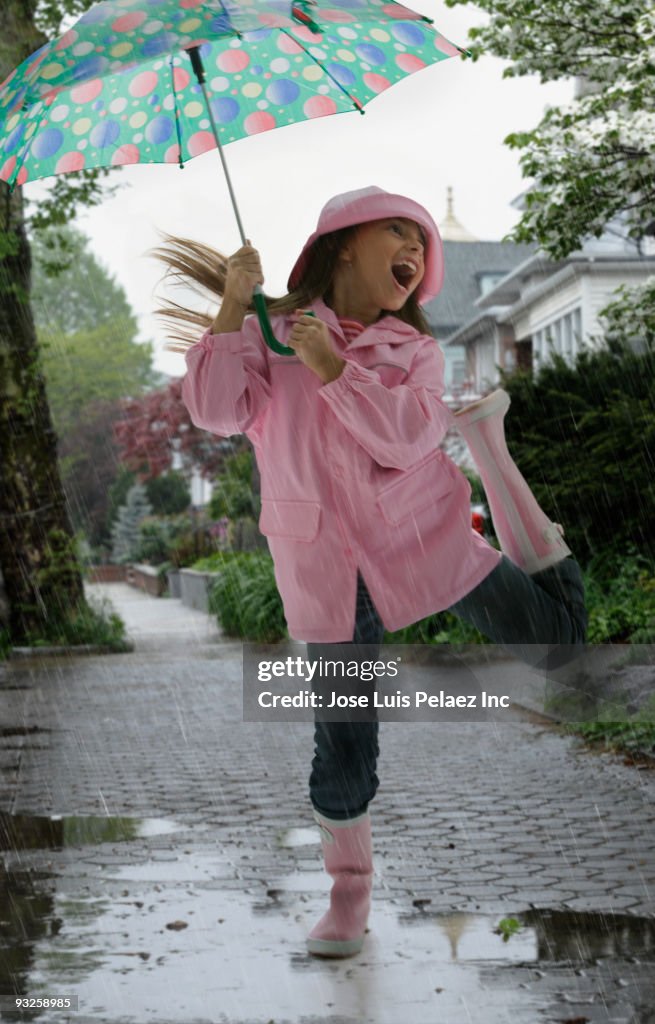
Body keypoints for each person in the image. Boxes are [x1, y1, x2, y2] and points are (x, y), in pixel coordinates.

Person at [154, 185, 587, 960]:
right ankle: (347, 892)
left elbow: (410, 436)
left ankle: (507, 486)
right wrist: (232, 304)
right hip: (322, 561)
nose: (414, 252)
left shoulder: (412, 349)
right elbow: (215, 410)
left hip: (425, 536)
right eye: (398, 231)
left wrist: (333, 371)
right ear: (345, 242)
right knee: (345, 738)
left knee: (559, 645)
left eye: (420, 240)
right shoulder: (270, 335)